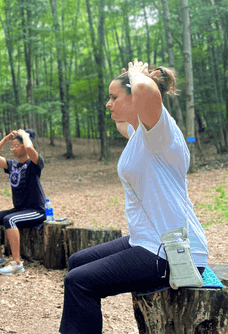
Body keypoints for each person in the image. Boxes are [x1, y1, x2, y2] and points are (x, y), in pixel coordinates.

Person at [59, 60, 209, 334]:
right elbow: (126, 120)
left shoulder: (161, 134)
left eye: (114, 96)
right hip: (147, 241)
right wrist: (132, 87)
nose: (108, 103)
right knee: (77, 262)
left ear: (134, 97)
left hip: (172, 251)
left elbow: (149, 94)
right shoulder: (138, 133)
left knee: (78, 281)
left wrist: (137, 75)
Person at [0, 129, 47, 275]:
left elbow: (30, 148)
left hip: (36, 211)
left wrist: (25, 135)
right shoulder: (12, 165)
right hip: (20, 209)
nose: (13, 149)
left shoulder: (34, 163)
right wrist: (4, 139)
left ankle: (17, 263)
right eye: (12, 147)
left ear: (23, 146)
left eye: (16, 146)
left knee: (9, 220)